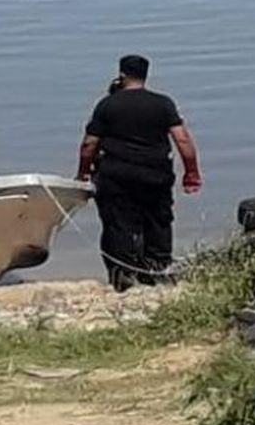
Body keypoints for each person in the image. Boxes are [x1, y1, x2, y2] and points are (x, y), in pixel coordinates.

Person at [75, 55, 202, 292]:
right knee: (158, 221)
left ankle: (123, 276)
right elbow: (182, 139)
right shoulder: (163, 103)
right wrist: (191, 172)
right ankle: (158, 270)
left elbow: (89, 144)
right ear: (146, 75)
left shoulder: (107, 105)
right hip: (155, 175)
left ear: (122, 75)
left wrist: (83, 172)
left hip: (116, 176)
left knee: (118, 224)